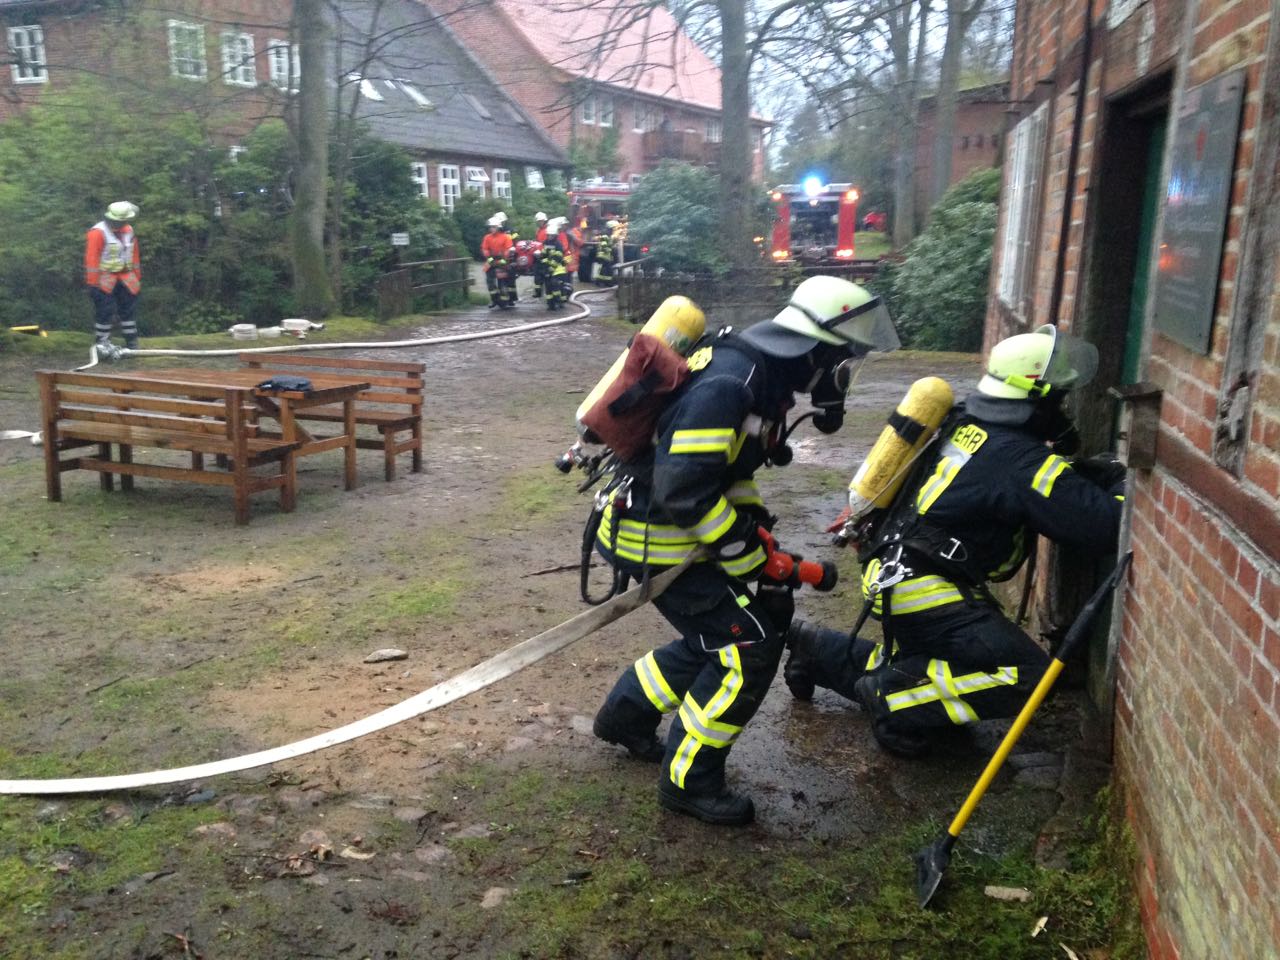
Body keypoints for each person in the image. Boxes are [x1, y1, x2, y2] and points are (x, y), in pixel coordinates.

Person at [591, 276, 901, 825]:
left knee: (717, 637)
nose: (843, 376)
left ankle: (624, 717)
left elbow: (724, 472)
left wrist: (756, 531)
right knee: (748, 647)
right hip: (655, 538)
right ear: (819, 350)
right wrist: (749, 557)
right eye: (845, 361)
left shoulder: (762, 377)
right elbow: (683, 488)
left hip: (660, 529)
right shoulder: (733, 384)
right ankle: (690, 781)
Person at [784, 324, 1125, 759]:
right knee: (1028, 677)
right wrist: (1120, 482)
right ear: (1032, 400)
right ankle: (895, 701)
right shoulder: (1018, 459)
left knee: (921, 668)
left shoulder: (964, 420)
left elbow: (1041, 482)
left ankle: (816, 650)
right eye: (1057, 398)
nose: (1063, 408)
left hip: (893, 569)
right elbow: (1101, 525)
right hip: (924, 587)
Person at [85, 201, 142, 350]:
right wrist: (93, 283)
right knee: (105, 310)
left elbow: (134, 253)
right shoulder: (98, 232)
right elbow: (92, 259)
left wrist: (137, 276)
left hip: (126, 277)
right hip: (104, 278)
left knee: (128, 310)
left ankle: (132, 342)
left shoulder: (129, 230)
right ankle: (101, 342)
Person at [479, 215, 514, 308]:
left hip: (502, 261)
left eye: (493, 227)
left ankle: (504, 302)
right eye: (490, 227)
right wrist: (489, 258)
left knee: (502, 283)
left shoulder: (506, 237)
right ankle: (494, 300)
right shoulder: (487, 237)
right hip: (491, 260)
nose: (491, 229)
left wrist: (504, 260)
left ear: (498, 227)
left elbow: (508, 249)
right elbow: (484, 249)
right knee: (490, 282)